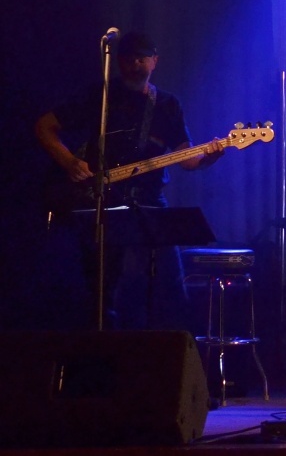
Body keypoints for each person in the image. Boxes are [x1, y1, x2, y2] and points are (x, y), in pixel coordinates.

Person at [35, 31, 225, 329]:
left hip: (150, 204)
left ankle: (168, 352)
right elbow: (44, 126)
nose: (135, 65)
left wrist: (210, 156)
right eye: (128, 59)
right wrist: (70, 162)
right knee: (110, 294)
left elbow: (186, 158)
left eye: (141, 59)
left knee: (170, 289)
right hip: (103, 204)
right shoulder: (100, 95)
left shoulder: (166, 104)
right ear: (118, 61)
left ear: (154, 61)